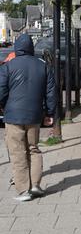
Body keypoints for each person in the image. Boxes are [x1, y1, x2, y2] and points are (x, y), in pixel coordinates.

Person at [0, 34, 56, 202]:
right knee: (33, 148)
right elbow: (51, 92)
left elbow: (1, 91)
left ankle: (23, 190)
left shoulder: (7, 67)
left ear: (17, 48)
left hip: (13, 116)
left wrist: (4, 106)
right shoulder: (43, 66)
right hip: (34, 116)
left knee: (18, 152)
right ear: (31, 48)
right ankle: (36, 185)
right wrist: (50, 113)